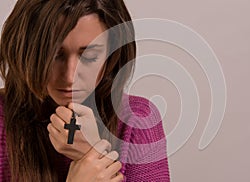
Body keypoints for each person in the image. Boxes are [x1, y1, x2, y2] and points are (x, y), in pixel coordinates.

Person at [0, 0, 170, 181]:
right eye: (54, 55)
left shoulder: (138, 119)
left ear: (112, 53)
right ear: (25, 50)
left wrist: (92, 153)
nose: (70, 77)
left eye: (89, 56)